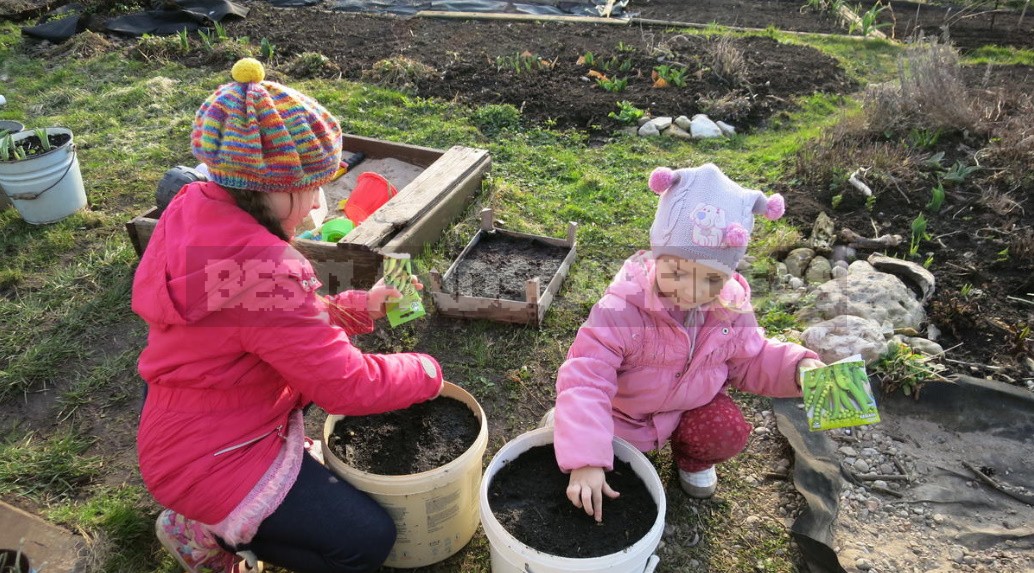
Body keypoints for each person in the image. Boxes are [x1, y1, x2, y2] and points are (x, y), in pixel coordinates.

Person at [131, 58, 444, 573]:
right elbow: (346, 386)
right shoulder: (266, 271)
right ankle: (209, 532)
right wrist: (427, 372)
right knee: (366, 540)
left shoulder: (194, 207)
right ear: (272, 188)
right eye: (314, 186)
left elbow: (267, 324)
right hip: (217, 457)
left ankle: (210, 519)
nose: (320, 201)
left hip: (192, 416)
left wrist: (360, 306)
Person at [549, 163, 824, 522]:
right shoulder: (621, 309)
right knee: (580, 441)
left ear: (727, 273)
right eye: (676, 272)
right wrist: (586, 459)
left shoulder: (731, 311)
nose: (690, 291)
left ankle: (692, 458)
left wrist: (798, 368)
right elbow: (587, 376)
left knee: (725, 428)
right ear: (657, 254)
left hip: (684, 413)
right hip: (623, 416)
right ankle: (571, 431)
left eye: (710, 279)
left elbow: (752, 359)